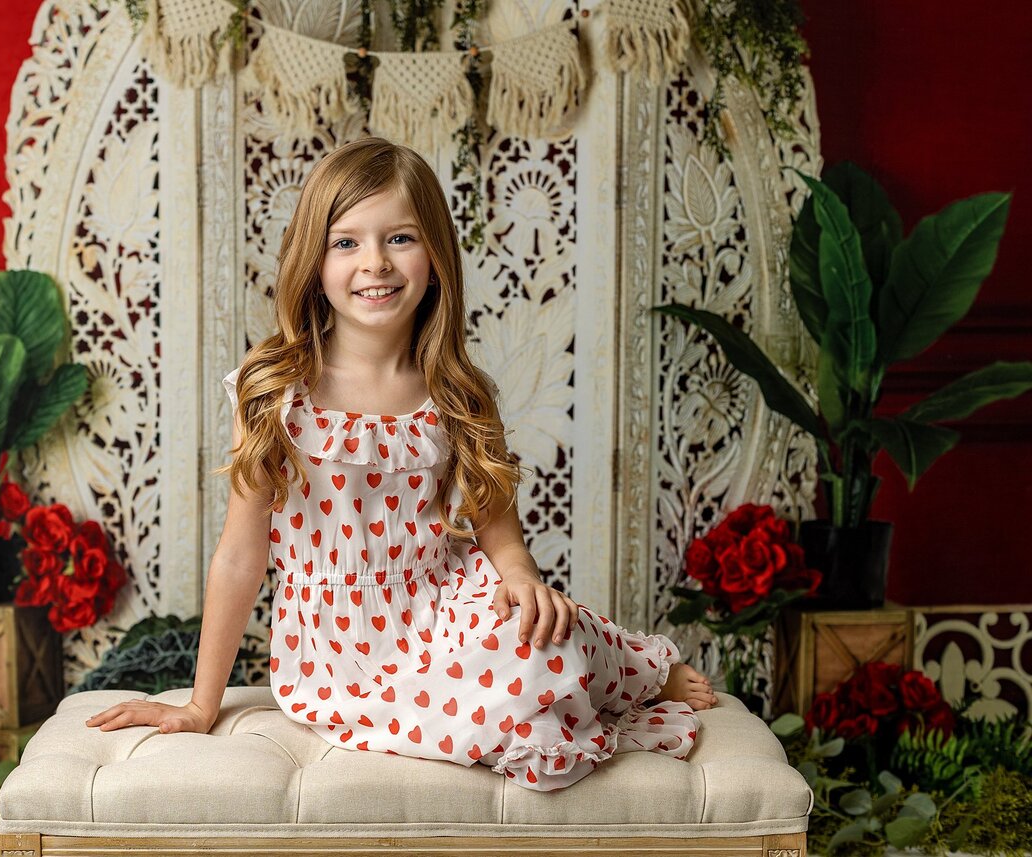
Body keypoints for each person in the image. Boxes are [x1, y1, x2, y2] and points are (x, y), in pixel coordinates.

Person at [86, 136, 717, 791]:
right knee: (532, 714)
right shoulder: (276, 388)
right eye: (347, 242)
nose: (376, 263)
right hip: (339, 653)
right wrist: (200, 702)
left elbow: (497, 523)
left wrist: (521, 576)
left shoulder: (456, 390)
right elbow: (241, 556)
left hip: (448, 605)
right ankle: (599, 684)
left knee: (541, 632)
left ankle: (642, 669)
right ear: (315, 259)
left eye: (401, 238)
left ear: (436, 255)